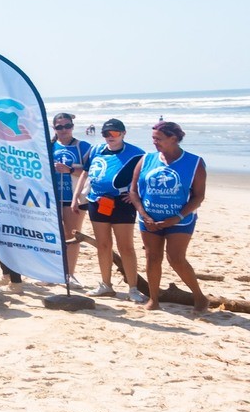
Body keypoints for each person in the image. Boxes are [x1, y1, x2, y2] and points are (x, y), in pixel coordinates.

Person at [129, 121, 208, 312]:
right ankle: (153, 300)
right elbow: (133, 191)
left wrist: (177, 217)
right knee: (152, 257)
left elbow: (199, 196)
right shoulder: (146, 159)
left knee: (176, 258)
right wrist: (144, 214)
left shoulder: (194, 162)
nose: (154, 142)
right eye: (153, 138)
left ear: (174, 138)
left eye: (159, 138)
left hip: (180, 219)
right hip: (149, 218)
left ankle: (199, 297)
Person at [73, 118, 146, 302]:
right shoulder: (97, 150)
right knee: (103, 245)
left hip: (122, 203)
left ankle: (133, 288)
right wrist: (76, 196)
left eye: (114, 133)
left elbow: (146, 177)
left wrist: (135, 194)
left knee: (126, 246)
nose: (110, 137)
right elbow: (86, 172)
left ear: (123, 133)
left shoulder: (136, 154)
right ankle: (106, 285)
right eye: (106, 133)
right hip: (97, 201)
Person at [50, 112, 92, 284]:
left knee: (71, 235)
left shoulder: (83, 147)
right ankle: (53, 272)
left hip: (74, 197)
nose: (64, 130)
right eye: (59, 127)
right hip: (52, 197)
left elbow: (91, 172)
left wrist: (69, 170)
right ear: (54, 128)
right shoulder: (49, 146)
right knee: (52, 235)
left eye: (67, 126)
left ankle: (69, 274)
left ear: (72, 127)